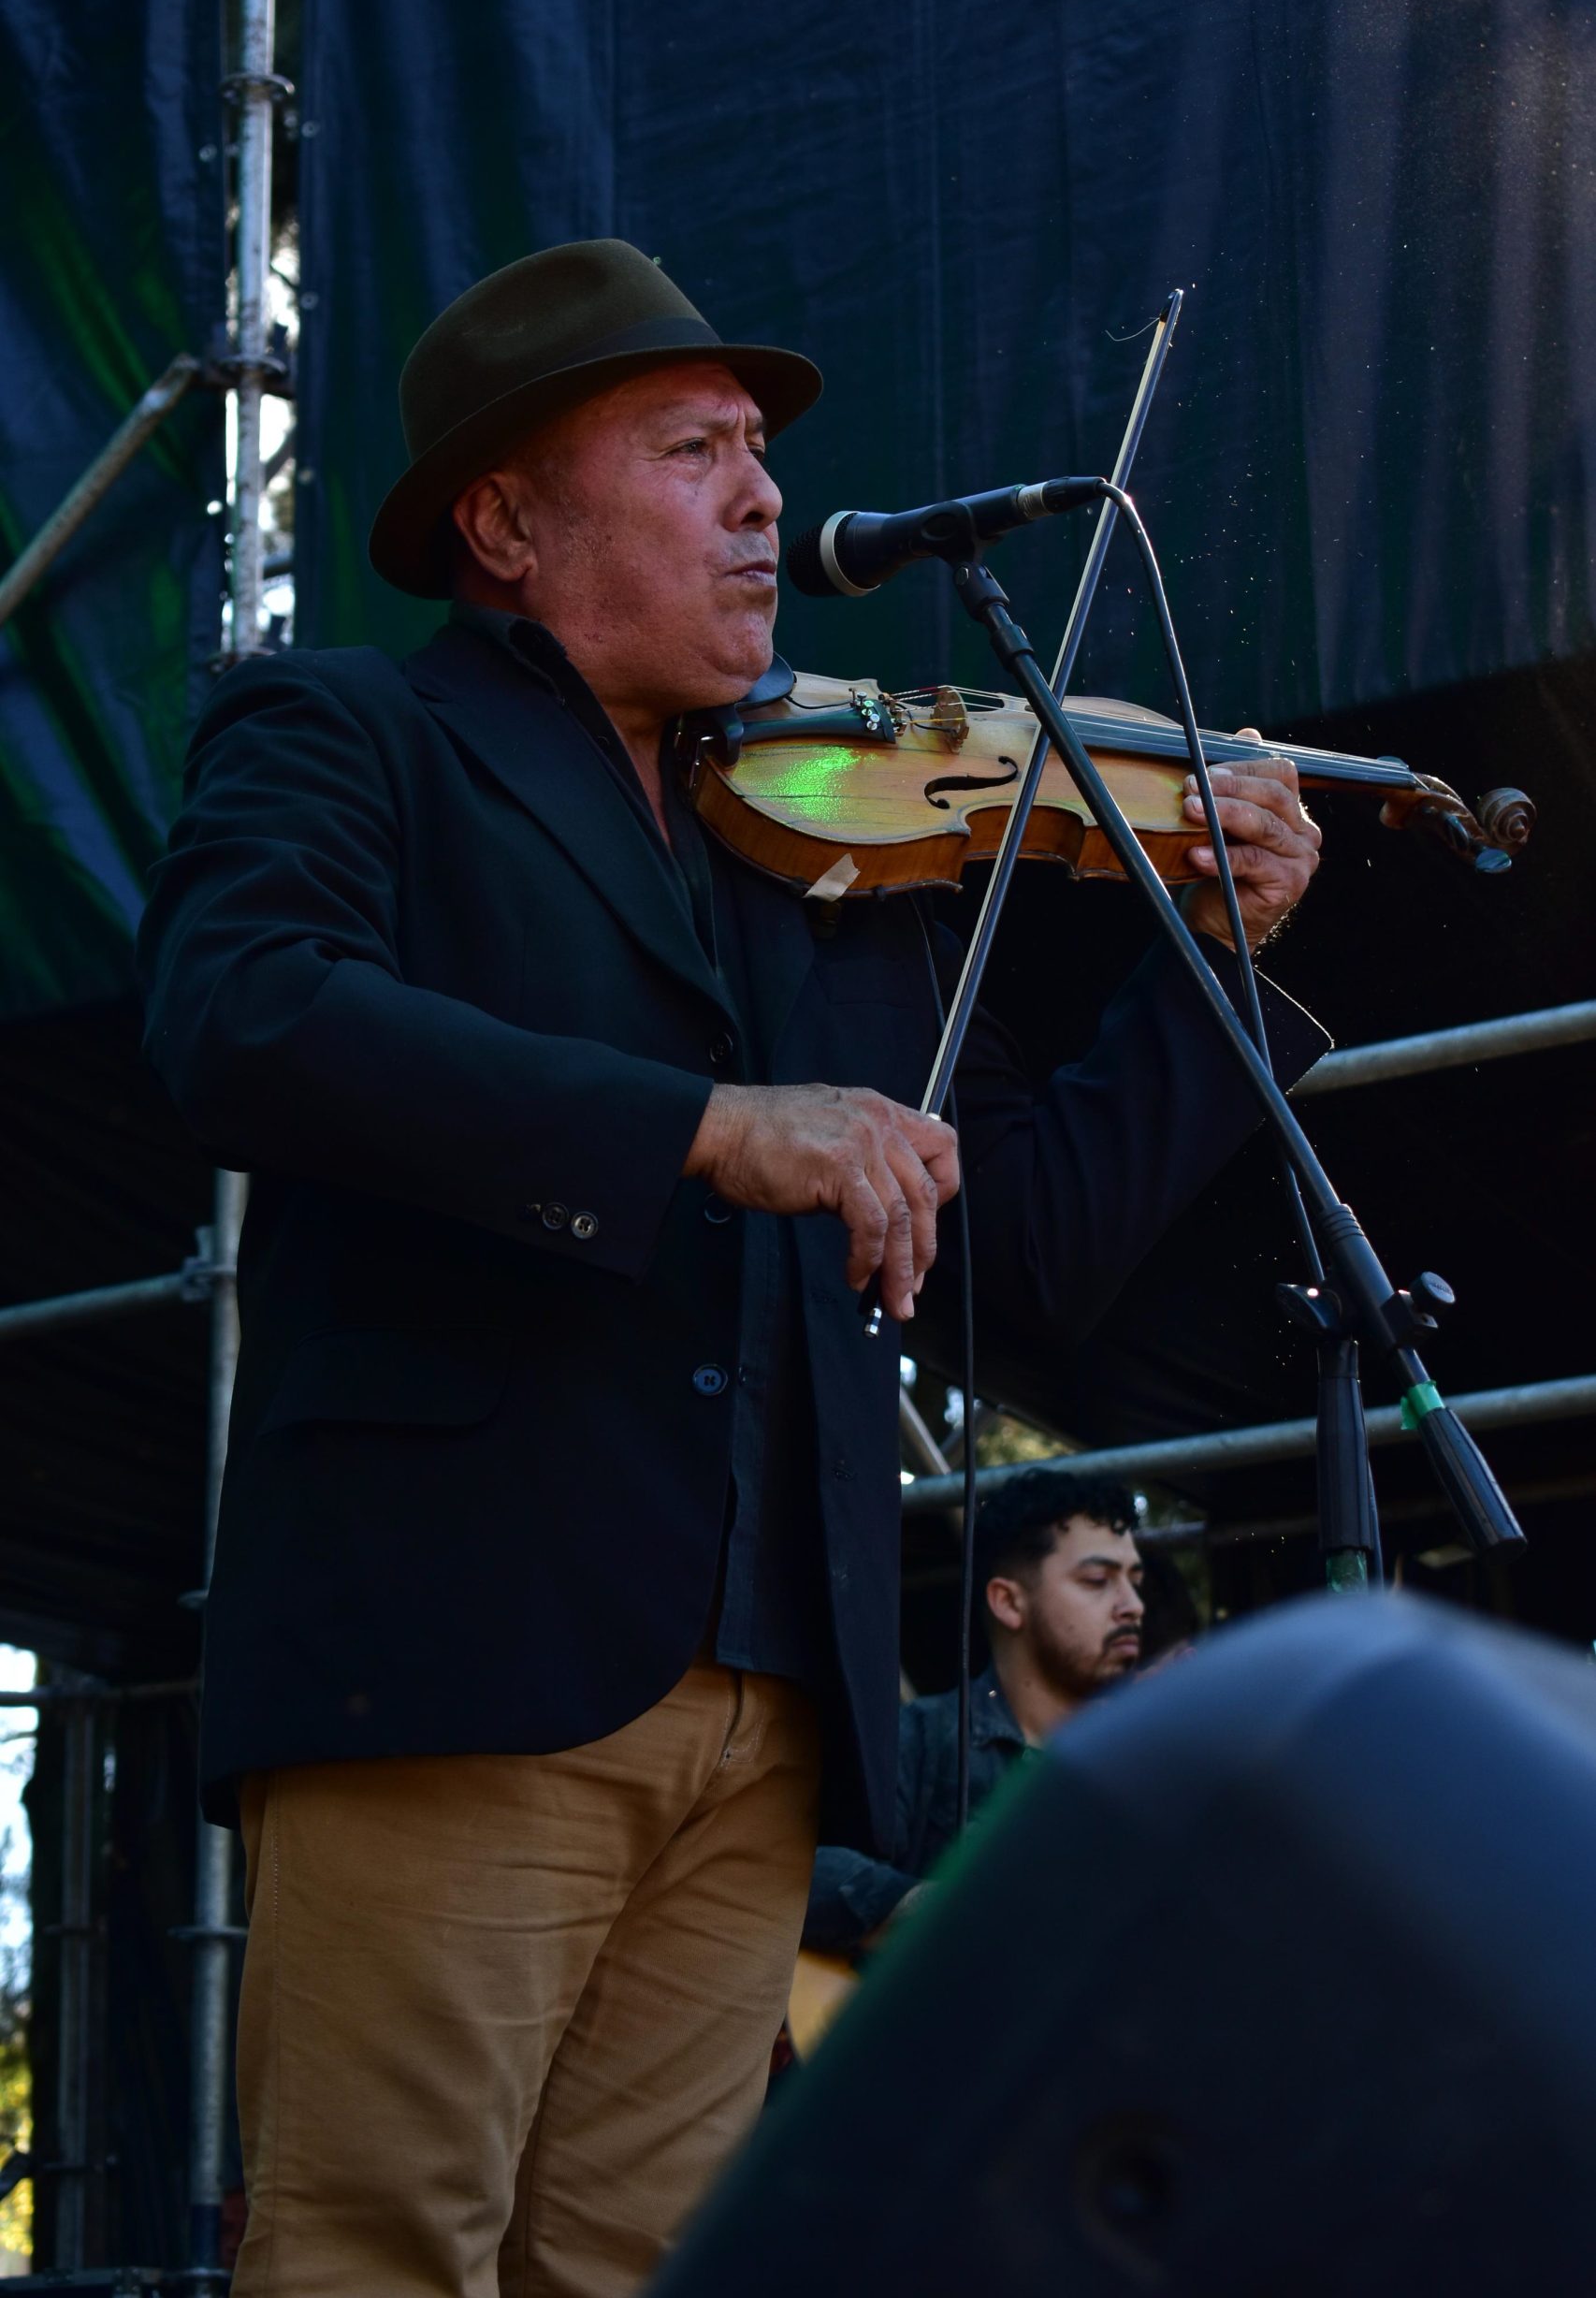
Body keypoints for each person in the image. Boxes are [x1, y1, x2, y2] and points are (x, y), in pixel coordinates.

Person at [136, 238, 1328, 2298]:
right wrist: (700, 1125)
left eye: (761, 455)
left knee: (645, 2266)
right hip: (461, 1642)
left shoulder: (832, 839)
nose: (767, 496)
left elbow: (1020, 1243)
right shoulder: (348, 729)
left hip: (772, 1686)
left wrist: (1211, 973)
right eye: (692, 452)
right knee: (376, 2250)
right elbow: (242, 1014)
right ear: (506, 524)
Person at [804, 1471, 1152, 1962]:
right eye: (1097, 1581)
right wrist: (950, 1910)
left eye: (1135, 1582)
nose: (1133, 1607)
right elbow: (798, 1868)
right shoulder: (923, 1737)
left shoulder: (1152, 1763)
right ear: (1008, 1602)